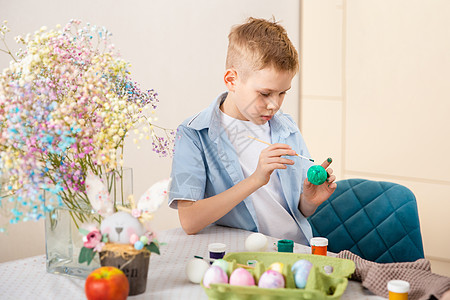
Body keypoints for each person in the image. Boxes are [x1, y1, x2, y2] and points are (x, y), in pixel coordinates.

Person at [168, 17, 337, 245]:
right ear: (231, 80)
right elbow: (189, 221)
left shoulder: (285, 128)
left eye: (282, 93)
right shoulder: (194, 134)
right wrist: (256, 179)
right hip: (241, 256)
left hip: (296, 249)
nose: (274, 105)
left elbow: (297, 211)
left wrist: (308, 200)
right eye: (265, 93)